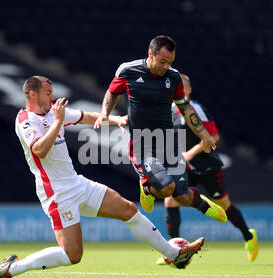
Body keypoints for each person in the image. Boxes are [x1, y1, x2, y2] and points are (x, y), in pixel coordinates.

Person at [0, 76, 205, 278]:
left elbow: (86, 117)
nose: (52, 97)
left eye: (52, 93)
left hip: (76, 182)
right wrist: (58, 122)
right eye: (47, 93)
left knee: (128, 209)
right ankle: (13, 267)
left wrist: (116, 119)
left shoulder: (55, 112)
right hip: (56, 192)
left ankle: (174, 254)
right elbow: (40, 150)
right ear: (32, 95)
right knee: (72, 256)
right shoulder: (25, 120)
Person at [94, 35, 227, 224]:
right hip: (143, 143)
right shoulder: (128, 70)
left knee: (182, 196)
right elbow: (112, 92)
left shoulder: (173, 77)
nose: (166, 66)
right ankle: (146, 187)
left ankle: (204, 205)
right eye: (163, 61)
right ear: (151, 53)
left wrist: (204, 134)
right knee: (166, 187)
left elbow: (185, 107)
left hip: (169, 142)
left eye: (170, 62)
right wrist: (104, 113)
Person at [158, 74, 258, 263]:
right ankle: (174, 251)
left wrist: (190, 154)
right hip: (184, 167)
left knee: (224, 205)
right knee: (171, 200)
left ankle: (249, 236)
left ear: (188, 90)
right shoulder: (168, 111)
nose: (178, 90)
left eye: (183, 87)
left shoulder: (195, 109)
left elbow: (214, 136)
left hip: (206, 166)